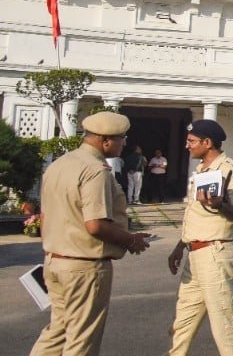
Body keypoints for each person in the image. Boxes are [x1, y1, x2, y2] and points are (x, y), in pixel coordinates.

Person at [29, 111, 152, 356]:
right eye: (122, 138)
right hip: (84, 266)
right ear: (106, 140)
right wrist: (131, 240)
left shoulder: (59, 164)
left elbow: (44, 217)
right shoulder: (95, 170)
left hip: (54, 260)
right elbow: (95, 225)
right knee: (81, 341)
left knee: (57, 333)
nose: (124, 144)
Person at [165, 120, 233, 356]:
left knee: (224, 320)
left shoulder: (232, 171)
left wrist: (220, 205)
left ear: (207, 142)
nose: (187, 146)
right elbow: (195, 215)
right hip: (195, 253)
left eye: (192, 141)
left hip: (216, 252)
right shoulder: (202, 171)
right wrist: (180, 246)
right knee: (183, 320)